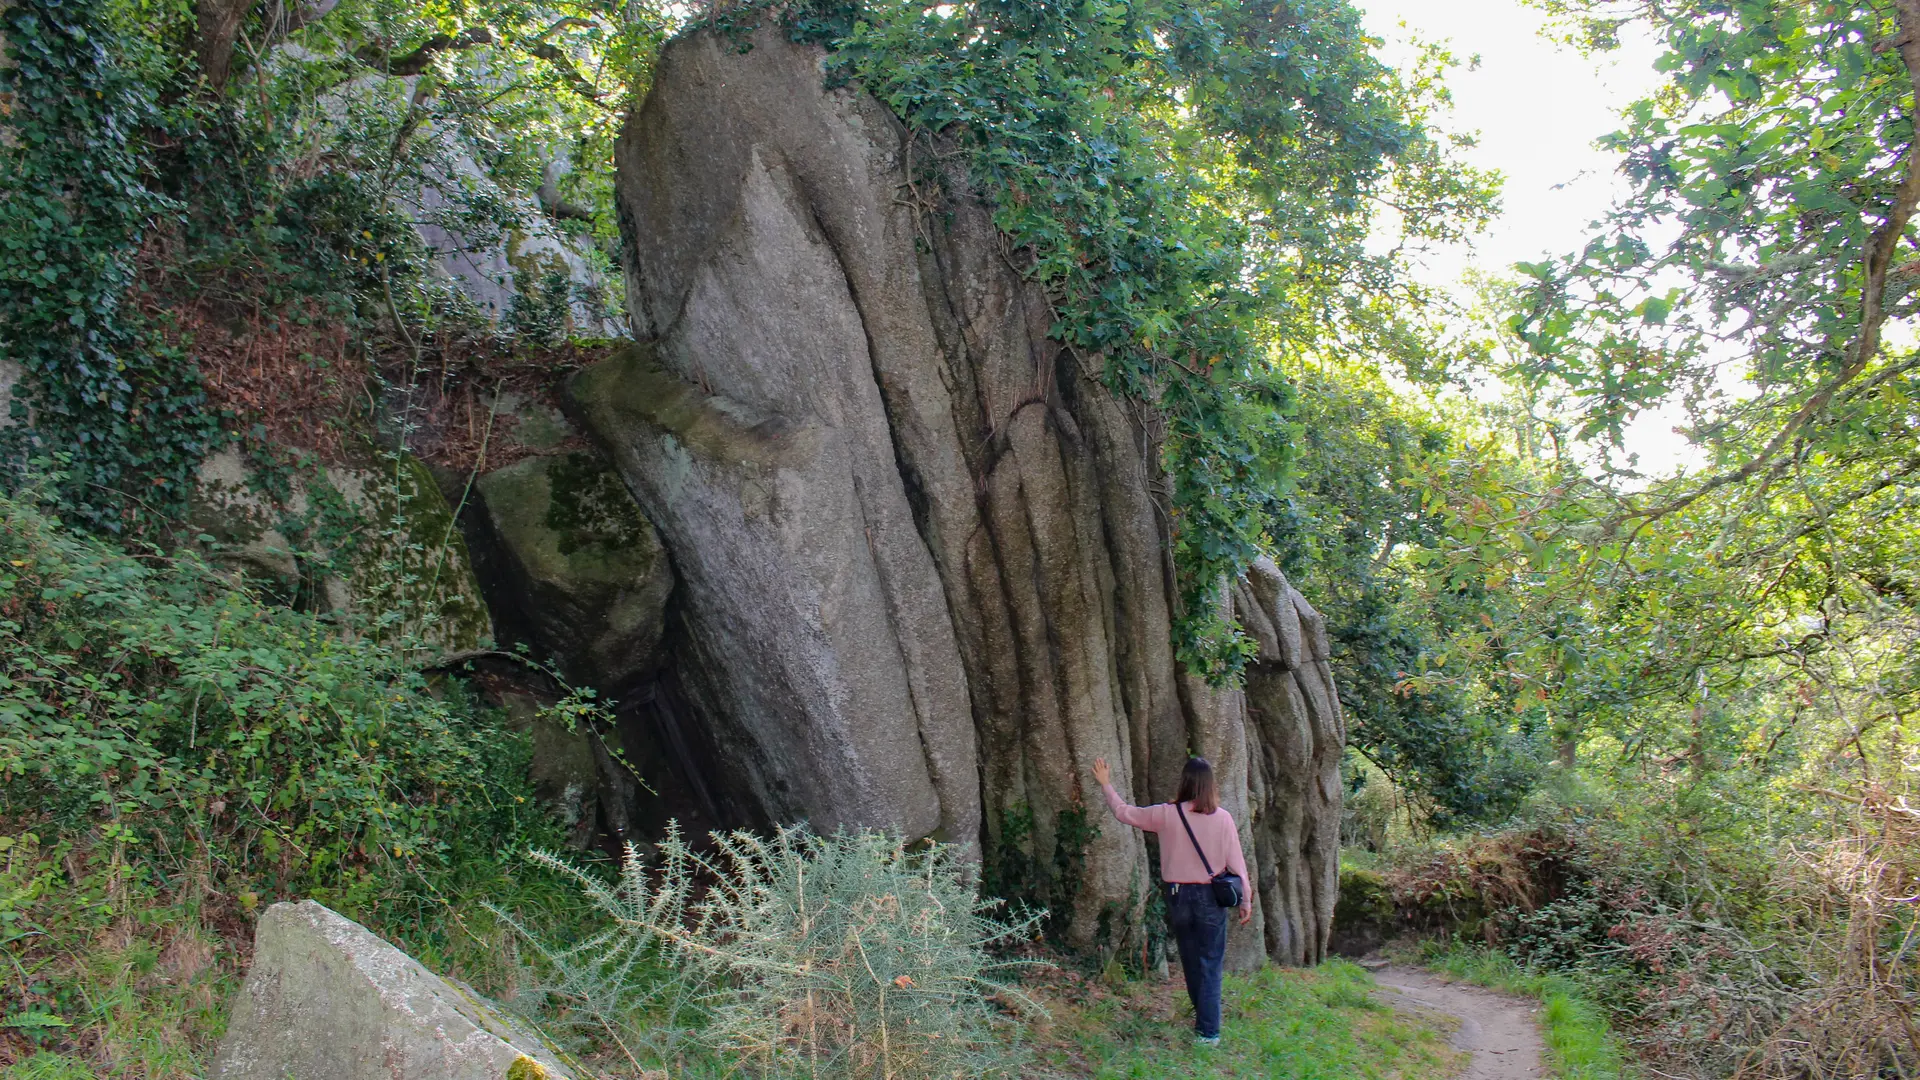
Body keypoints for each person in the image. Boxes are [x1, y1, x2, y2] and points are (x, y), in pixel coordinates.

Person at [1092, 754, 1252, 1047]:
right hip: (1209, 898)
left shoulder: (1167, 814)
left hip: (1177, 896)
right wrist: (1246, 900)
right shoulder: (1223, 819)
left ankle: (1203, 1020)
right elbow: (1236, 863)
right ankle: (1208, 1033)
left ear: (1185, 782)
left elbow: (1125, 813)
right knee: (1210, 963)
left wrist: (1106, 785)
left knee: (1191, 961)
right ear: (1210, 785)